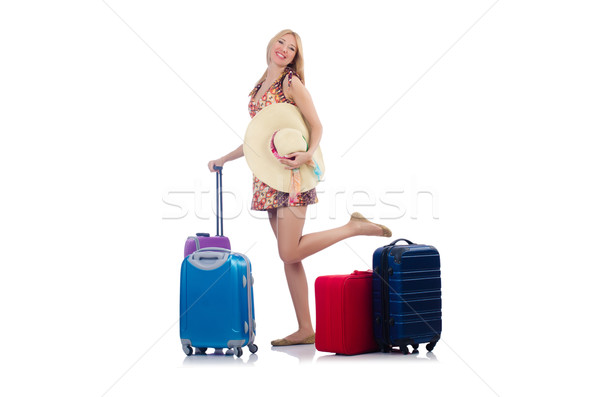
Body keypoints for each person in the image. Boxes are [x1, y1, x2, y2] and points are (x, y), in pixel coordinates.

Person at [208, 29, 391, 346]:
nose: (284, 49)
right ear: (270, 44)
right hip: (266, 177)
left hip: (292, 174)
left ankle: (353, 227)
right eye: (281, 42)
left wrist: (308, 153)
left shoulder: (291, 83)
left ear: (295, 56)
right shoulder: (259, 85)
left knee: (288, 250)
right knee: (290, 258)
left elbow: (317, 125)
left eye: (292, 48)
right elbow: (257, 140)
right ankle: (306, 328)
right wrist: (225, 158)